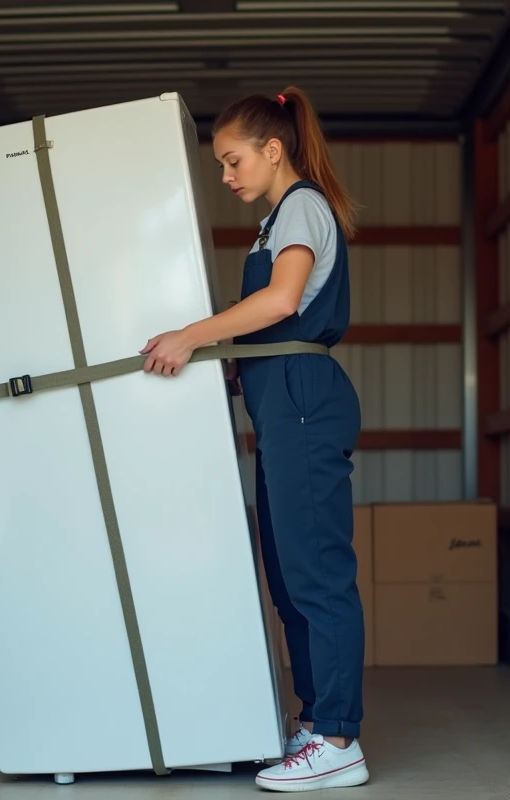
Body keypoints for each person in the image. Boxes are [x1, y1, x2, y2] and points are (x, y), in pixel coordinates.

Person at [139, 86, 367, 792]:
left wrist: (191, 337)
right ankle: (316, 722)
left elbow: (282, 300)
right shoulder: (273, 223)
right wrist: (238, 365)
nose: (226, 175)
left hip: (303, 402)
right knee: (290, 577)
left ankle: (339, 739)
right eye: (221, 165)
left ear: (273, 150)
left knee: (316, 574)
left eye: (233, 161)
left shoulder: (300, 205)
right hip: (281, 405)